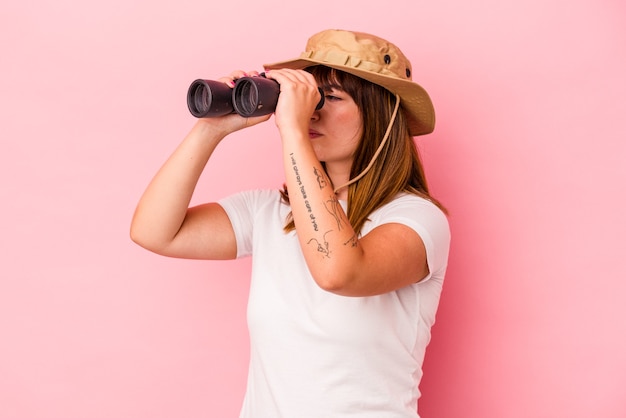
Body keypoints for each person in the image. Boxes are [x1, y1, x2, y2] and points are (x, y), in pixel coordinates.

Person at [130, 29, 451, 418]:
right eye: (308, 97)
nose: (312, 111)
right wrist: (212, 128)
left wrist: (294, 131)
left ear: (380, 112)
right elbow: (153, 232)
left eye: (329, 98)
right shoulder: (269, 213)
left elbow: (338, 272)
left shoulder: (416, 218)